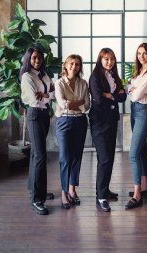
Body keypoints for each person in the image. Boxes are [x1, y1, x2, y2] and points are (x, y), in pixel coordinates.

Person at [89, 48, 127, 212]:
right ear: (100, 60)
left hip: (112, 121)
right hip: (99, 122)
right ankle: (101, 198)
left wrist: (110, 95)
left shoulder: (114, 76)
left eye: (111, 59)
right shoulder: (95, 76)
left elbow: (124, 96)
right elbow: (97, 97)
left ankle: (103, 190)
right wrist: (114, 95)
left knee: (109, 158)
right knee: (104, 158)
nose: (109, 62)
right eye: (106, 59)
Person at [20, 47, 55, 215]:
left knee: (36, 154)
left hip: (44, 114)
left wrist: (45, 93)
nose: (37, 60)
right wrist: (46, 93)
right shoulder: (27, 77)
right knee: (41, 156)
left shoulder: (44, 75)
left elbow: (53, 94)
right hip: (34, 115)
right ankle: (36, 199)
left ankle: (37, 189)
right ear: (29, 59)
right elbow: (34, 98)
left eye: (40, 58)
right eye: (34, 58)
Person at [125, 43, 147, 210]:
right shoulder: (138, 72)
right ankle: (146, 187)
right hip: (135, 110)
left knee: (133, 153)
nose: (141, 56)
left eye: (145, 53)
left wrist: (133, 89)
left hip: (144, 112)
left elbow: (135, 94)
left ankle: (137, 194)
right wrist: (132, 89)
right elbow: (128, 88)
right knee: (142, 150)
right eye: (139, 53)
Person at [55, 54, 90, 209]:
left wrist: (77, 103)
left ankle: (72, 189)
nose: (74, 66)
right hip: (64, 121)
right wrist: (79, 102)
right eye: (71, 63)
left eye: (77, 64)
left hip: (80, 121)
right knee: (65, 158)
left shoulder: (83, 83)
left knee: (76, 156)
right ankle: (63, 193)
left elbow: (87, 105)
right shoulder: (59, 83)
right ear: (66, 65)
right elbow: (63, 104)